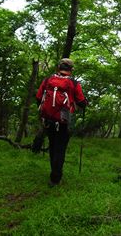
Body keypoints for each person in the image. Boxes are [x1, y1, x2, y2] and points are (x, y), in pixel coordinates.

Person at [34, 58, 87, 187]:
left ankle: (54, 174)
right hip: (64, 121)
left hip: (49, 120)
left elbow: (38, 97)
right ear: (71, 70)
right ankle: (55, 179)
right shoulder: (74, 83)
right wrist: (85, 103)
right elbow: (81, 102)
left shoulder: (47, 80)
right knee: (60, 149)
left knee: (53, 147)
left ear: (58, 67)